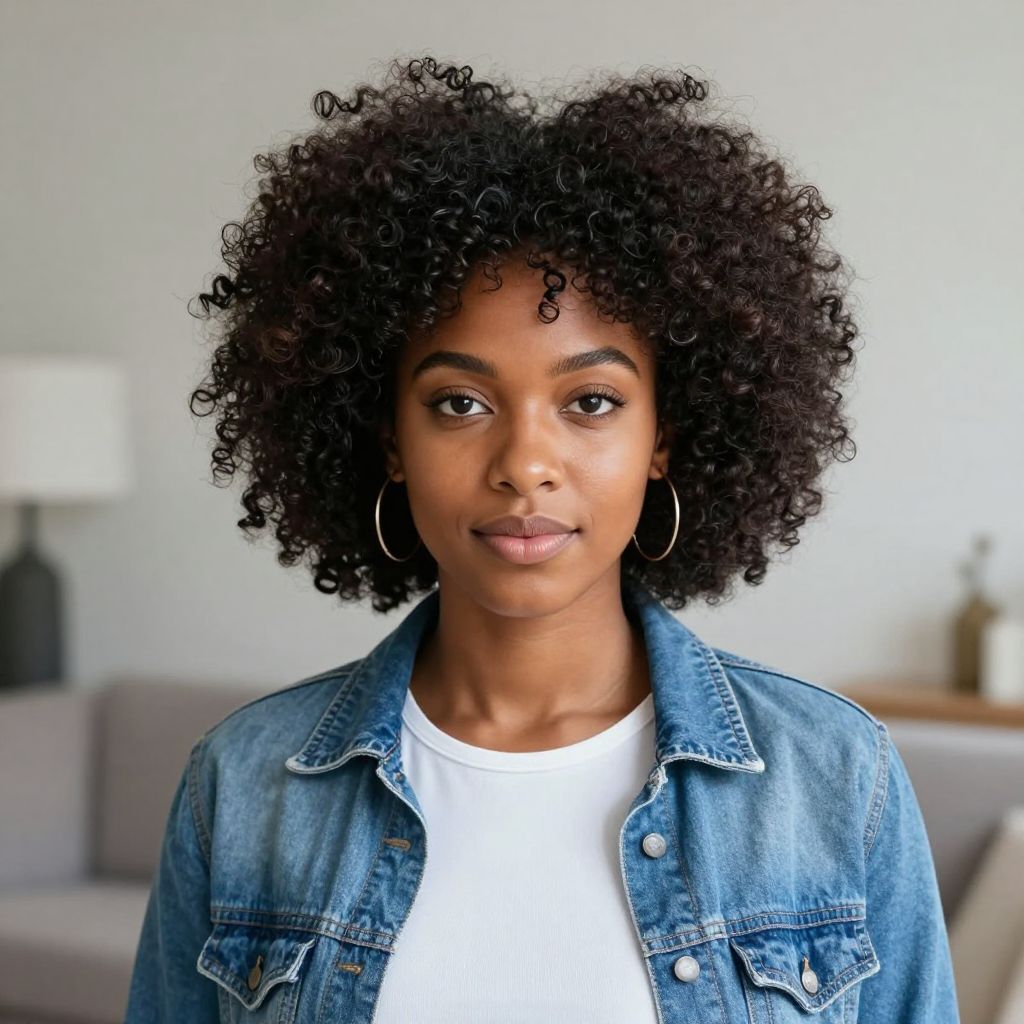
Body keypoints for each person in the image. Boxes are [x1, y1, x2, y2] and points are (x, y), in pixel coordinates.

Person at [125, 55, 960, 1023]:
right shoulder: (241, 787)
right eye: (460, 402)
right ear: (388, 437)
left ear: (664, 439)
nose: (525, 462)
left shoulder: (833, 778)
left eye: (591, 401)